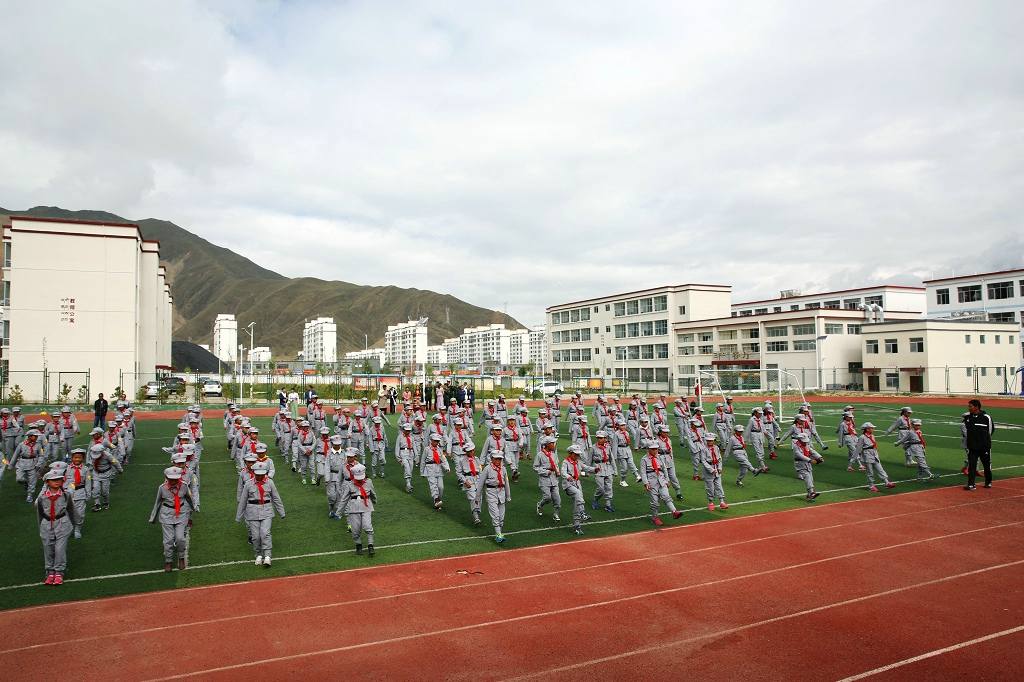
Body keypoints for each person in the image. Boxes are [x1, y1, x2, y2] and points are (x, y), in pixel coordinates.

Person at [236, 461, 285, 567]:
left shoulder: (270, 482)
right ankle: (258, 554)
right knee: (255, 536)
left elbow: (276, 498)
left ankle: (267, 556)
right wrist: (239, 516)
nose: (260, 476)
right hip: (252, 511)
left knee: (265, 533)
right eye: (258, 474)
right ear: (254, 472)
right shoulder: (248, 484)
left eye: (262, 474)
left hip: (266, 510)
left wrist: (281, 512)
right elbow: (243, 500)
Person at [36, 469, 81, 585]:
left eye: (59, 479)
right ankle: (50, 571)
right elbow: (39, 513)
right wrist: (40, 527)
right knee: (48, 548)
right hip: (46, 525)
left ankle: (59, 572)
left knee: (59, 549)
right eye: (53, 480)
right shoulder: (42, 497)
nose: (56, 482)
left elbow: (71, 509)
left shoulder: (66, 495)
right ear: (47, 482)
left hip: (62, 524)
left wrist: (76, 524)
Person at [149, 466, 196, 571]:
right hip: (167, 515)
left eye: (176, 478)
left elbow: (189, 498)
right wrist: (153, 517)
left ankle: (181, 557)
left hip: (181, 513)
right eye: (171, 478)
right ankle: (168, 560)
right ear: (166, 477)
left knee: (180, 538)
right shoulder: (162, 488)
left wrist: (193, 509)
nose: (174, 481)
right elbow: (158, 502)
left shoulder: (183, 486)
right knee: (168, 540)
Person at [639, 439, 683, 526]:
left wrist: (667, 480)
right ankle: (655, 517)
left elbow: (664, 469)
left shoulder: (659, 457)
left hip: (661, 480)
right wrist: (646, 483)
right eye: (653, 449)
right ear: (648, 449)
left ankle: (674, 512)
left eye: (656, 448)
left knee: (666, 496)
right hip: (652, 482)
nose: (655, 450)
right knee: (655, 502)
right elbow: (643, 472)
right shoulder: (644, 460)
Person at [338, 463, 377, 556]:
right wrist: (338, 512)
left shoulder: (369, 482)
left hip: (366, 506)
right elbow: (344, 499)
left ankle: (370, 546)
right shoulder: (349, 484)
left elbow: (373, 493)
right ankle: (358, 545)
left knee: (367, 526)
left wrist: (374, 501)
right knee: (355, 530)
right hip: (354, 508)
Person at [477, 448, 511, 543]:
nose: (498, 461)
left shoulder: (503, 469)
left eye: (500, 459)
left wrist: (508, 495)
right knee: (495, 515)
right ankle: (498, 535)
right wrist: (477, 497)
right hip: (491, 493)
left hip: (502, 493)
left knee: (501, 516)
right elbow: (481, 483)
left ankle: (499, 531)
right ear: (491, 459)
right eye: (496, 459)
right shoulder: (487, 469)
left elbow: (506, 482)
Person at [963, 399, 994, 490]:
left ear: (976, 407)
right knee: (972, 466)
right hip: (972, 447)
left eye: (970, 406)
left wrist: (984, 440)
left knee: (986, 466)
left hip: (984, 447)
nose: (969, 408)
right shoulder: (967, 418)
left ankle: (988, 482)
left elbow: (990, 431)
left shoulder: (986, 417)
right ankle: (971, 484)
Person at [858, 422, 895, 493]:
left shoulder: (872, 436)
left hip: (874, 455)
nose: (873, 429)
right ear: (867, 429)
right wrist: (856, 460)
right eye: (871, 428)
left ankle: (887, 482)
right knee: (870, 472)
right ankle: (871, 486)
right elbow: (858, 449)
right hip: (867, 455)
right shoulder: (862, 437)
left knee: (880, 469)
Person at [533, 435, 561, 522]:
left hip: (554, 479)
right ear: (547, 444)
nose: (554, 444)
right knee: (547, 498)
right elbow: (535, 467)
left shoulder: (554, 454)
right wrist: (545, 472)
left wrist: (557, 471)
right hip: (544, 480)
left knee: (557, 499)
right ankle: (540, 505)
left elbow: (556, 465)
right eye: (552, 443)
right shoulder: (540, 455)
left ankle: (556, 514)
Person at [792, 433, 823, 502]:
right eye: (804, 441)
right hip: (800, 464)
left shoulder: (806, 444)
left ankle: (809, 495)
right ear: (799, 440)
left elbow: (812, 451)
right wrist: (810, 460)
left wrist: (819, 457)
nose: (805, 442)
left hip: (807, 464)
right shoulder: (796, 446)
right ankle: (812, 493)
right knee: (807, 477)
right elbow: (800, 455)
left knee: (811, 478)